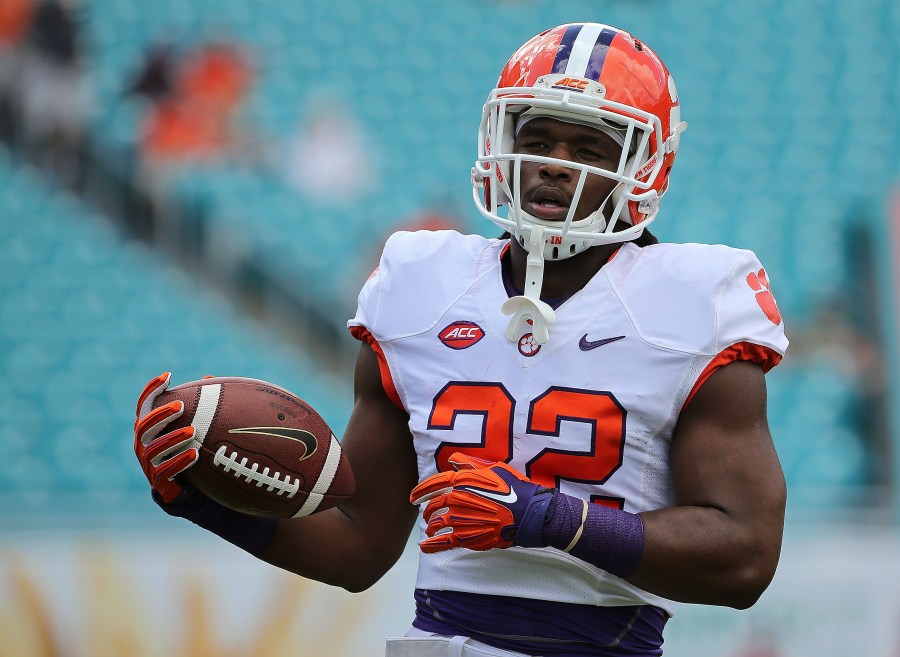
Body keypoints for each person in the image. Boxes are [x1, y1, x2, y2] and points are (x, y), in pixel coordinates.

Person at [133, 22, 788, 657]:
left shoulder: (691, 300)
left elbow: (746, 556)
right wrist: (206, 499)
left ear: (641, 166)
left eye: (588, 147)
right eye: (539, 138)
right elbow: (358, 542)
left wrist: (557, 519)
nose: (554, 166)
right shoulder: (421, 285)